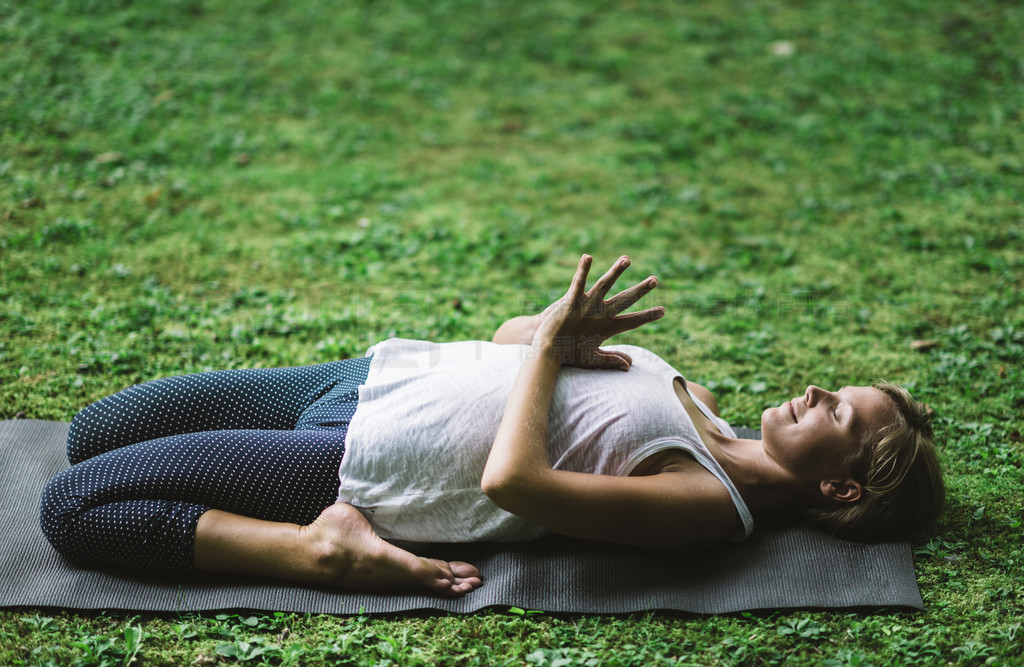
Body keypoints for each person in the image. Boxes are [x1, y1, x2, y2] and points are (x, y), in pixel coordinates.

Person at [40, 255, 944, 598]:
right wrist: (548, 329)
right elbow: (515, 346)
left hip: (360, 463)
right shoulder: (694, 397)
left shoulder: (707, 502)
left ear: (840, 486)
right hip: (373, 380)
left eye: (839, 411)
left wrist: (551, 351)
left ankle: (318, 551)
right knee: (93, 430)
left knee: (73, 506)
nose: (818, 388)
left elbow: (513, 484)